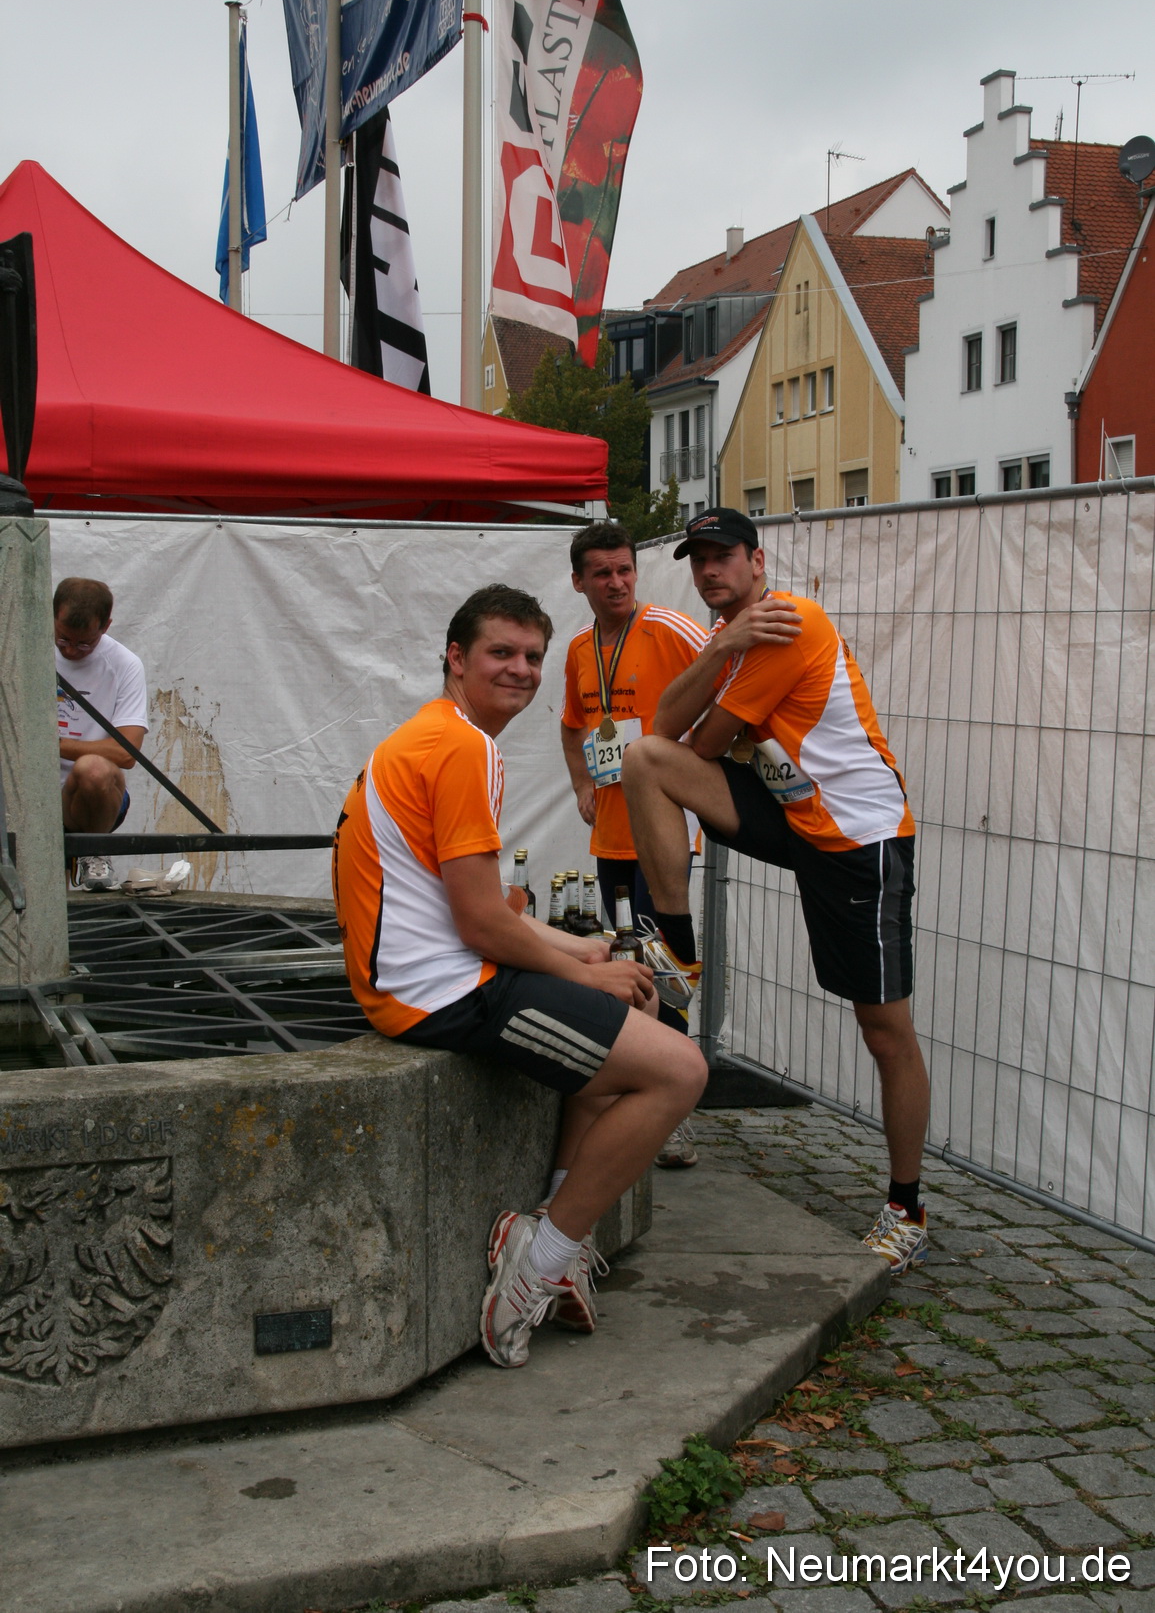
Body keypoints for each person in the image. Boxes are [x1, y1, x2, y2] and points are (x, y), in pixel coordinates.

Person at [332, 583, 706, 1369]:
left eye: (533, 657)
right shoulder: (462, 748)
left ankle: (562, 1233)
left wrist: (582, 954)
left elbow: (473, 907)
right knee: (680, 1070)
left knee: (623, 1007)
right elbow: (480, 923)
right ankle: (539, 1257)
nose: (521, 670)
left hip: (426, 975)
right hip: (438, 995)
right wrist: (581, 973)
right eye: (500, 653)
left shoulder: (437, 734)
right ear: (455, 657)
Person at [621, 508, 931, 1276]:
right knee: (643, 761)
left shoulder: (788, 622)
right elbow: (662, 731)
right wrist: (719, 647)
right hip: (797, 816)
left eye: (723, 555)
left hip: (858, 840)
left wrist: (725, 678)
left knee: (884, 1031)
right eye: (697, 559)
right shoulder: (734, 638)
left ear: (757, 562)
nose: (709, 571)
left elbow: (704, 741)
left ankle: (907, 1208)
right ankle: (678, 952)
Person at [560, 520, 709, 1167]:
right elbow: (573, 727)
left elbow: (728, 678)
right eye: (602, 573)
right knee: (624, 962)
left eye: (624, 569)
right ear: (579, 582)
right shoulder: (577, 648)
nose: (616, 582)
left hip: (665, 834)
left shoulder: (670, 629)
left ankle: (674, 1112)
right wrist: (581, 785)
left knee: (665, 964)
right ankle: (636, 1086)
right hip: (610, 838)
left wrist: (698, 770)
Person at [54, 577, 148, 891]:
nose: (71, 650)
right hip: (25, 790)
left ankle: (94, 850)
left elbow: (127, 753)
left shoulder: (125, 664)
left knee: (93, 769)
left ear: (106, 627)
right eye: (62, 639)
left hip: (92, 799)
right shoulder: (21, 648)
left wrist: (55, 745)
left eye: (84, 643)